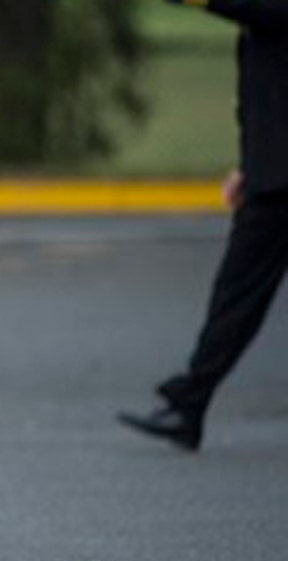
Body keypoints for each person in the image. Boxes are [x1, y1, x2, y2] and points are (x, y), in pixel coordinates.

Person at [119, 0, 288, 452]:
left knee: (237, 296)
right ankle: (189, 403)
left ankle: (189, 402)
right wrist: (251, 167)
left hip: (278, 184)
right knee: (236, 297)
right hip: (273, 180)